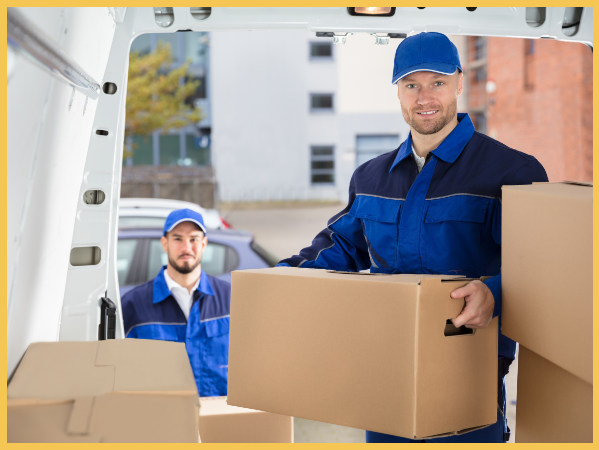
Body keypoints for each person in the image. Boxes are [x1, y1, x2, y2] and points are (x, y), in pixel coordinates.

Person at [277, 32, 548, 443]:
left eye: (437, 83)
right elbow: (341, 248)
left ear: (460, 82)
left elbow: (543, 269)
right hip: (387, 368)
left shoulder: (510, 172)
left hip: (470, 368)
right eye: (411, 85)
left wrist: (495, 293)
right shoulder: (370, 178)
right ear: (398, 92)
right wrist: (280, 281)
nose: (424, 98)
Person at [121, 208, 231, 397]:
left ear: (204, 244)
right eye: (178, 239)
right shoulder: (133, 304)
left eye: (194, 239)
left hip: (219, 419)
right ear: (165, 244)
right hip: (162, 420)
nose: (186, 248)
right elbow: (121, 373)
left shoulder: (231, 298)